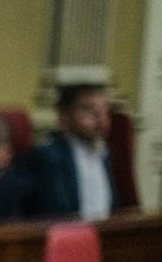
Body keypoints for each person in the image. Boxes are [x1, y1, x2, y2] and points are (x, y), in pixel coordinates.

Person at [27, 82, 129, 220]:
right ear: (64, 116)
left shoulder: (104, 152)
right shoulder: (50, 155)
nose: (100, 119)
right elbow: (56, 212)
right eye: (88, 110)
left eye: (105, 111)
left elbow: (112, 206)